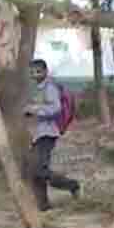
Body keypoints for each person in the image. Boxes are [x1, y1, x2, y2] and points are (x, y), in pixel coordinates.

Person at [24, 59, 79, 211]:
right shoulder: (41, 88)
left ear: (45, 71)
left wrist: (34, 110)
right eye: (32, 72)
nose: (35, 75)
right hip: (40, 134)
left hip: (48, 133)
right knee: (34, 170)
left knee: (40, 170)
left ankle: (72, 185)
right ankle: (43, 206)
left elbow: (55, 108)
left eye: (38, 72)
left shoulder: (49, 87)